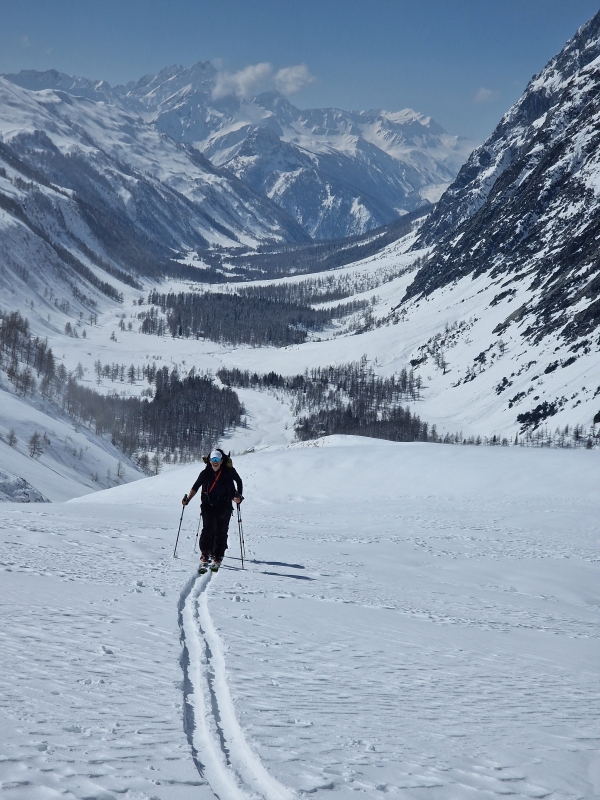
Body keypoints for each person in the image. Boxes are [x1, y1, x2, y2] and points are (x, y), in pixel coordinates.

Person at [183, 448, 243, 570]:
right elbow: (195, 487)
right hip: (207, 505)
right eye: (213, 459)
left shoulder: (226, 474)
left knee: (221, 531)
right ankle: (205, 553)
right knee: (207, 529)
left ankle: (218, 555)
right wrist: (188, 499)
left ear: (221, 461)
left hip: (224, 506)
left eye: (217, 460)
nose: (215, 462)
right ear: (209, 461)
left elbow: (232, 490)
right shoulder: (205, 473)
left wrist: (237, 498)